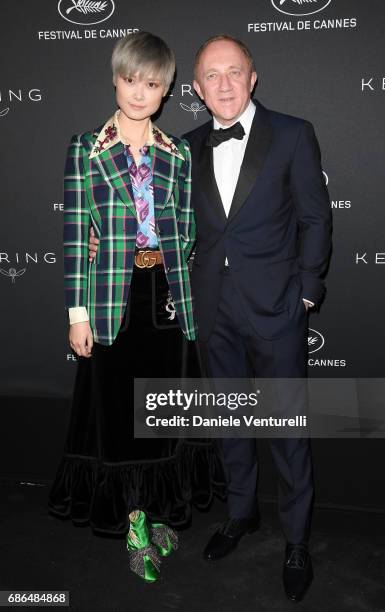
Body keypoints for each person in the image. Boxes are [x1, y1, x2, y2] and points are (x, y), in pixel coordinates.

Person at [89, 34, 332, 601]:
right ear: (195, 88)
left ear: (253, 77)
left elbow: (316, 219)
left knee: (287, 432)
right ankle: (240, 515)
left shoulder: (294, 134)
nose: (223, 84)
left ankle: (296, 540)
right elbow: (151, 215)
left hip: (276, 312)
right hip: (208, 312)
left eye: (234, 71)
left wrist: (306, 293)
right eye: (211, 76)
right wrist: (105, 242)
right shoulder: (183, 148)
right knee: (230, 426)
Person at [48, 31, 225, 583]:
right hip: (109, 298)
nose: (139, 92)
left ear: (167, 88)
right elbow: (77, 235)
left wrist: (166, 251)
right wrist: (77, 312)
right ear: (115, 78)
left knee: (161, 416)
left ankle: (151, 514)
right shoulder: (86, 147)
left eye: (152, 83)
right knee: (120, 420)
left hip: (167, 301)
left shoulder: (177, 154)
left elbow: (189, 230)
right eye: (131, 80)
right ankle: (134, 526)